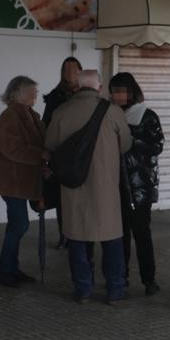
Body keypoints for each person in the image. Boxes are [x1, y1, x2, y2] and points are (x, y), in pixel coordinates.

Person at [45, 70, 133, 304]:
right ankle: (115, 289)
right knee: (111, 238)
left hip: (74, 186)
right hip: (105, 187)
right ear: (100, 87)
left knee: (77, 238)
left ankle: (83, 289)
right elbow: (125, 144)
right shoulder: (112, 111)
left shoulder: (61, 112)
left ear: (77, 87)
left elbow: (50, 145)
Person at [0, 75, 48, 288]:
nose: (35, 95)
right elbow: (12, 148)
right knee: (19, 225)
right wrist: (40, 155)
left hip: (19, 181)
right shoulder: (10, 116)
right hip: (11, 181)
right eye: (32, 92)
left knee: (17, 225)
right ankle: (5, 270)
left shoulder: (28, 114)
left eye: (36, 92)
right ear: (17, 94)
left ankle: (11, 267)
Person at [109, 72, 164, 296]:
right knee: (118, 235)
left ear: (132, 91)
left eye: (123, 90)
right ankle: (121, 277)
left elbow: (157, 146)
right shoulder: (108, 114)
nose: (119, 95)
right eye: (115, 90)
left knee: (142, 234)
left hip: (140, 187)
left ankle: (149, 279)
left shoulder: (146, 115)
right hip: (114, 185)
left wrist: (131, 140)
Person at [43, 57, 82, 248]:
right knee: (62, 198)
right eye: (66, 70)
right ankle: (64, 234)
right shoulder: (55, 96)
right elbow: (46, 124)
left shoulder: (86, 94)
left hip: (82, 152)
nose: (70, 74)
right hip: (61, 154)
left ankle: (80, 234)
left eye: (73, 70)